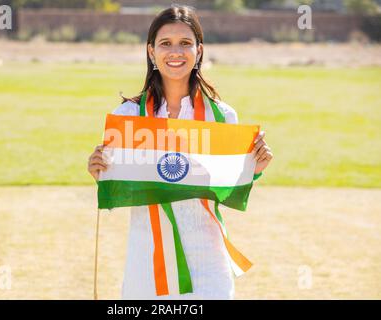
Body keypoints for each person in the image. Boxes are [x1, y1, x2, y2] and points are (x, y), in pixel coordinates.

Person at [87, 5, 273, 299]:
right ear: (151, 52)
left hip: (209, 261)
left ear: (199, 51)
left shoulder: (223, 117)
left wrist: (256, 167)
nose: (176, 52)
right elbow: (122, 186)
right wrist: (99, 170)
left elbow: (229, 188)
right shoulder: (127, 117)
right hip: (147, 262)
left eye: (186, 43)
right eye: (166, 44)